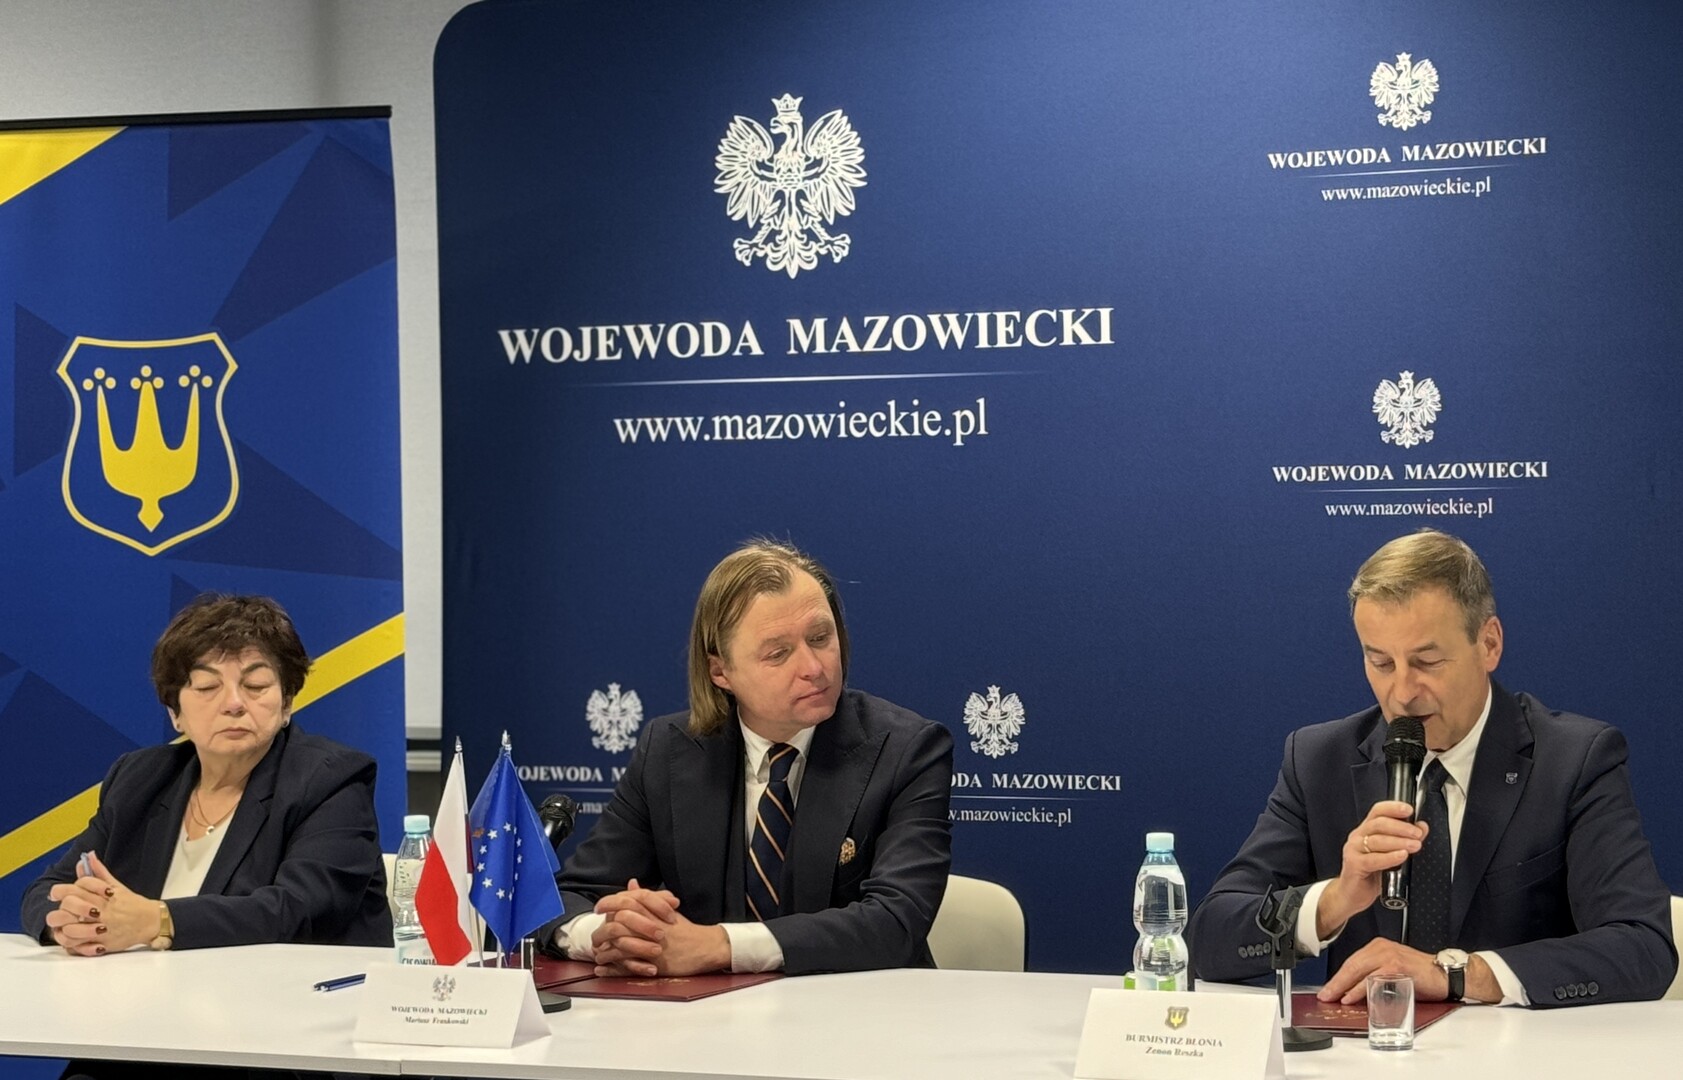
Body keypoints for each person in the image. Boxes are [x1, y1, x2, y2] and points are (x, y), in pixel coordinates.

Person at [1188, 529, 1676, 1007]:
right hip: (1368, 1049)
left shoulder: (1573, 760)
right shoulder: (1319, 760)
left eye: (1427, 661)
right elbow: (1209, 939)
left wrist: (1458, 974)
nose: (1402, 693)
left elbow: (1643, 946)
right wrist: (1335, 899)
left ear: (1489, 644)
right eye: (1381, 663)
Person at [544, 539, 953, 976]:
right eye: (778, 653)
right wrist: (607, 934)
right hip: (710, 1013)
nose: (814, 668)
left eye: (820, 638)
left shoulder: (908, 750)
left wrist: (719, 946)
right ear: (720, 671)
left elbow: (895, 921)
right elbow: (565, 896)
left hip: (864, 1008)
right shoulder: (667, 751)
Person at [22, 594, 392, 956]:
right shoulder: (139, 777)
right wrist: (68, 923)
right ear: (175, 713)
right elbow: (48, 889)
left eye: (255, 685)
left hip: (295, 991)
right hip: (152, 991)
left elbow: (295, 911)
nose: (233, 704)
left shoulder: (330, 779)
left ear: (286, 703)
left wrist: (156, 920)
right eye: (207, 687)